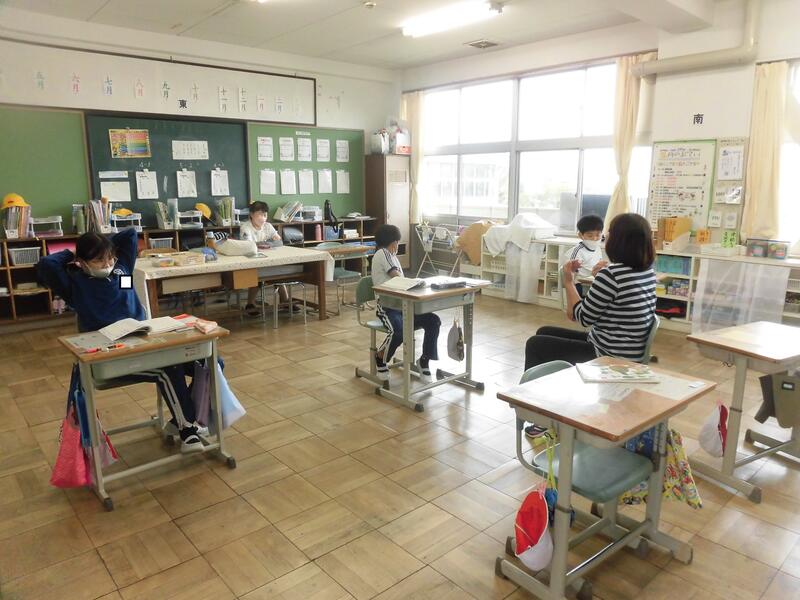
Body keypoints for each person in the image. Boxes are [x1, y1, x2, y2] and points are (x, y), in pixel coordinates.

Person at [37, 228, 203, 452]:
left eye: (109, 257)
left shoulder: (122, 271)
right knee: (169, 369)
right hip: (111, 357)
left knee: (207, 363)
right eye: (98, 260)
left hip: (144, 344)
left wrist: (104, 246)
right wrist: (72, 253)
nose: (107, 264)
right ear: (82, 263)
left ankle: (182, 418)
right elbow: (47, 264)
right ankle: (188, 429)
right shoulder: (75, 284)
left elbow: (130, 234)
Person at [523, 213, 657, 438]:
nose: (604, 238)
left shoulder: (612, 275)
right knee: (544, 332)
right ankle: (550, 403)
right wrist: (599, 278)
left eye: (608, 234)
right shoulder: (647, 272)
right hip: (628, 349)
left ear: (619, 241)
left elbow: (581, 318)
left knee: (536, 344)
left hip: (608, 355)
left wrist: (568, 281)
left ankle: (539, 414)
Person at [372, 224, 440, 382]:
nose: (397, 245)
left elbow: (401, 282)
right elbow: (397, 278)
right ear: (393, 242)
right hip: (388, 307)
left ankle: (424, 360)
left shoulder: (392, 256)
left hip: (404, 306)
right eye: (397, 242)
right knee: (399, 331)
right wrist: (415, 283)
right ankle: (381, 356)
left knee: (433, 321)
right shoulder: (383, 253)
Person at [239, 201, 289, 316]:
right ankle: (250, 303)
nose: (263, 218)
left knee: (279, 272)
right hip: (252, 260)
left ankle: (285, 301)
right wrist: (267, 244)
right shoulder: (246, 227)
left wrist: (263, 244)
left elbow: (279, 241)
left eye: (265, 215)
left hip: (270, 258)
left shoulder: (268, 226)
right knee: (256, 275)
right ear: (251, 215)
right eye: (260, 215)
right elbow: (249, 246)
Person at [566, 214, 607, 295]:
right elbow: (570, 273)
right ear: (581, 235)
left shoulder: (597, 248)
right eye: (590, 236)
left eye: (598, 235)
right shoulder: (578, 251)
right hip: (579, 283)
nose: (594, 238)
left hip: (592, 281)